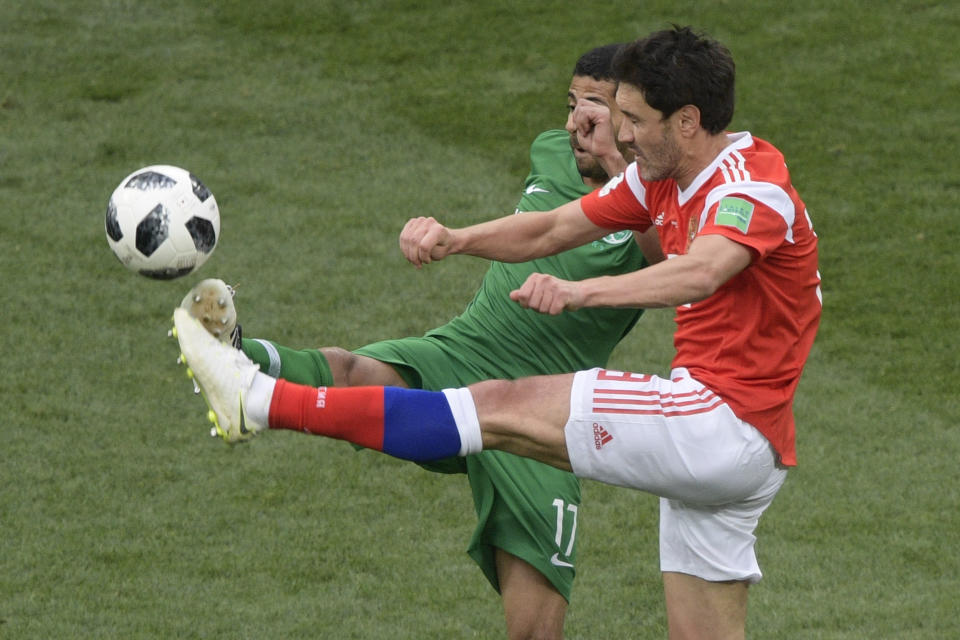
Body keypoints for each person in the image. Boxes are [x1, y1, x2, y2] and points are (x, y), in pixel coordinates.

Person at [173, 26, 821, 639]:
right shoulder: (661, 177)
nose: (620, 135)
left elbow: (702, 272)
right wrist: (458, 239)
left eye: (634, 121)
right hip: (743, 448)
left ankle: (258, 401)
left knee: (500, 407)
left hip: (715, 421)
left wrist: (578, 291)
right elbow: (551, 229)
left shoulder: (750, 187)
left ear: (686, 122)